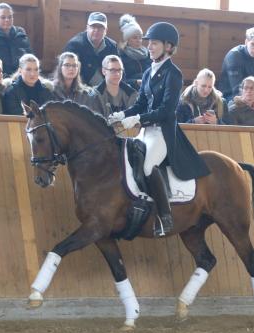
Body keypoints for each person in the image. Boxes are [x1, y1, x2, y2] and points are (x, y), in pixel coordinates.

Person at [107, 22, 210, 236]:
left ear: (169, 46)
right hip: (147, 131)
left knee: (147, 167)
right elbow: (140, 104)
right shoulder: (148, 73)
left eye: (154, 43)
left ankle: (165, 217)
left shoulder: (174, 74)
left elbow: (166, 111)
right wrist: (122, 114)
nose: (150, 47)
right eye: (149, 43)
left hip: (163, 132)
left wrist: (137, 119)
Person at [62, 11, 117, 87]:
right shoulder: (74, 45)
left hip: (107, 87)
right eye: (93, 26)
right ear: (87, 28)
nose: (96, 30)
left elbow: (118, 70)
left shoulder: (112, 46)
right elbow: (68, 73)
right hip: (80, 88)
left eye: (100, 27)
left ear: (106, 31)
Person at [117, 14, 151, 90]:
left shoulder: (148, 54)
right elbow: (120, 80)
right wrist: (135, 82)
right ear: (127, 39)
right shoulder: (121, 55)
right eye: (135, 38)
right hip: (130, 92)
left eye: (140, 37)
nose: (138, 40)